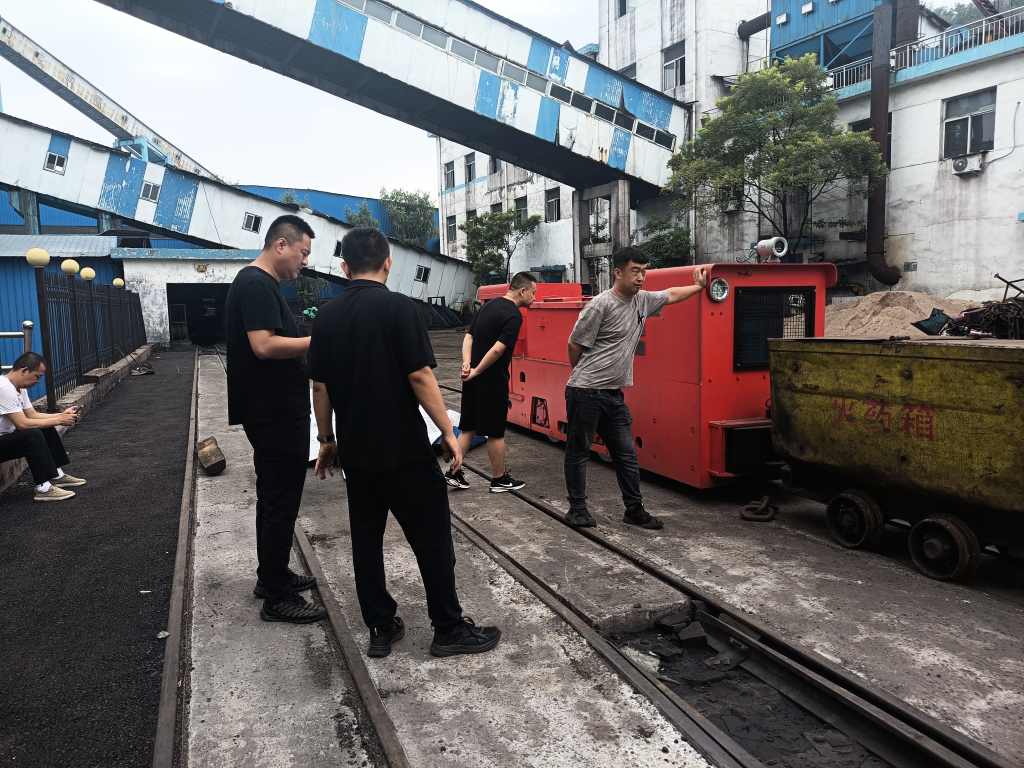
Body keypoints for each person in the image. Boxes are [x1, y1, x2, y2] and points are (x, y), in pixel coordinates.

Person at [309, 227, 501, 659]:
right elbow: (419, 376)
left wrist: (326, 440)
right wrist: (449, 432)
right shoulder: (399, 308)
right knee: (432, 539)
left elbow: (320, 386)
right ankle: (448, 628)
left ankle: (380, 626)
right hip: (404, 451)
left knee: (366, 541)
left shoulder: (327, 317)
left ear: (344, 267)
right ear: (388, 262)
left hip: (357, 454)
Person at [225, 214, 325, 624]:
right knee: (280, 500)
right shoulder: (256, 284)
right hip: (274, 412)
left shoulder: (260, 284)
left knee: (275, 497)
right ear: (281, 245)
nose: (305, 261)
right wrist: (319, 340)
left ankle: (273, 575)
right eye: (303, 252)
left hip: (273, 410)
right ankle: (277, 597)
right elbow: (264, 345)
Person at [564, 247, 707, 530]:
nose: (641, 277)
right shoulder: (600, 305)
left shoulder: (642, 301)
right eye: (635, 271)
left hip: (613, 394)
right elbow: (574, 345)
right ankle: (577, 510)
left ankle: (634, 510)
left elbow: (671, 294)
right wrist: (585, 377)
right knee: (579, 452)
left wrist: (699, 287)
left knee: (626, 454)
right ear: (618, 272)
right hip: (586, 392)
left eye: (644, 271)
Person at [445, 271, 537, 493]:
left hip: (471, 378)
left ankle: (453, 472)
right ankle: (499, 479)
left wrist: (468, 365)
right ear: (522, 291)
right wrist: (477, 371)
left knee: (469, 427)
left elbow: (469, 336)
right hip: (492, 380)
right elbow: (498, 349)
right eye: (533, 293)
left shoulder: (489, 306)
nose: (534, 298)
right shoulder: (514, 316)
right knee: (495, 431)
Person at [0, 352, 85, 502]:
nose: (37, 382)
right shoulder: (4, 388)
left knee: (45, 427)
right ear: (24, 370)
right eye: (36, 376)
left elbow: (32, 415)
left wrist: (61, 415)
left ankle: (57, 475)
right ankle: (43, 489)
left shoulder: (19, 388)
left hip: (5, 438)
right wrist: (59, 420)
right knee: (32, 435)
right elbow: (22, 423)